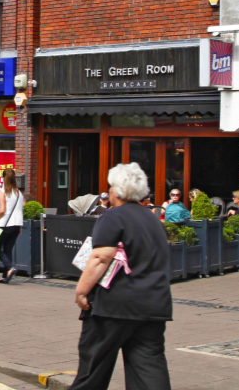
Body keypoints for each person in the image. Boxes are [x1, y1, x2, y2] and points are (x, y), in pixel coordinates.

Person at [71, 162, 172, 390]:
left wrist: (81, 291)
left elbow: (100, 258)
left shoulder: (112, 217)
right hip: (154, 306)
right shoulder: (154, 221)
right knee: (148, 371)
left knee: (93, 372)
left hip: (113, 307)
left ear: (116, 190)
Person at [0, 167, 24, 283]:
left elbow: (2, 210)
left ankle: (10, 268)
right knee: (8, 249)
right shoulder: (19, 193)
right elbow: (20, 210)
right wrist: (20, 227)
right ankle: (5, 275)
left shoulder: (3, 192)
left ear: (4, 178)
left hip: (5, 224)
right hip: (16, 225)